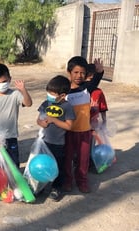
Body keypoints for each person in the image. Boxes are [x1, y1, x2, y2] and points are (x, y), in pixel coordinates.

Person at [63, 56, 103, 193]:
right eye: (75, 72)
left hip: (85, 132)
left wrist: (100, 72)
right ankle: (67, 181)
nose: (79, 76)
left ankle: (82, 181)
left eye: (82, 73)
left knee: (83, 159)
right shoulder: (64, 91)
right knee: (67, 158)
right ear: (69, 72)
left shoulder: (87, 88)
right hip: (68, 132)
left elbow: (96, 80)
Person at [36, 75, 75, 201]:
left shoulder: (67, 107)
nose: (49, 96)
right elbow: (38, 119)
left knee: (57, 166)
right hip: (44, 142)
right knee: (42, 165)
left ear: (62, 95)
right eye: (48, 92)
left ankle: (56, 187)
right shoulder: (45, 103)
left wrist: (54, 120)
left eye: (52, 94)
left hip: (58, 144)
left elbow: (69, 126)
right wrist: (42, 123)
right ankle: (40, 186)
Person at [0, 63, 32, 167]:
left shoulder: (15, 95)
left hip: (11, 137)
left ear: (10, 79)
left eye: (4, 81)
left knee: (13, 163)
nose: (1, 84)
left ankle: (12, 183)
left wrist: (23, 90)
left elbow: (28, 103)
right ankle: (1, 183)